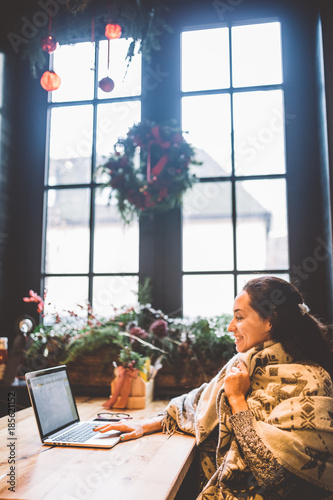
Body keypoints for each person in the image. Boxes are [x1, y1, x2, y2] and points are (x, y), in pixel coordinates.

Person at [94, 276, 333, 499]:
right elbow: (198, 401)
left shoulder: (311, 380)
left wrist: (237, 399)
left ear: (269, 321)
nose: (230, 327)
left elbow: (275, 473)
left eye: (239, 317)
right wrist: (145, 424)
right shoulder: (243, 366)